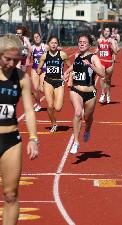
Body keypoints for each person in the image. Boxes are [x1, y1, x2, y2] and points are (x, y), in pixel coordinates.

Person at [0, 34, 39, 225]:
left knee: (10, 195)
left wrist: (33, 138)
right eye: (8, 59)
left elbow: (29, 111)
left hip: (10, 141)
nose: (12, 63)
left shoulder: (22, 78)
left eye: (16, 60)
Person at [64, 34, 104, 154]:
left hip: (90, 92)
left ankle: (87, 130)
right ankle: (76, 141)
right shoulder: (77, 55)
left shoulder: (93, 57)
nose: (81, 44)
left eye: (84, 42)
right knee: (77, 113)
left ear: (89, 45)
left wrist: (90, 65)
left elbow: (102, 73)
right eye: (80, 42)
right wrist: (67, 71)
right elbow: (75, 65)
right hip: (76, 90)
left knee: (88, 118)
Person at [37, 36, 71, 132]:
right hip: (48, 81)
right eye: (52, 43)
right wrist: (39, 71)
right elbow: (38, 68)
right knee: (50, 105)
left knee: (58, 108)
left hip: (59, 82)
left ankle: (54, 121)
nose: (54, 45)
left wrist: (67, 75)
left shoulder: (63, 55)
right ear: (48, 44)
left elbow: (70, 66)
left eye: (55, 43)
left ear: (58, 44)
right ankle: (54, 124)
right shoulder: (44, 55)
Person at [95, 27, 117, 104]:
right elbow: (97, 49)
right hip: (101, 62)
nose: (106, 32)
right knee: (102, 77)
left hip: (109, 62)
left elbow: (116, 52)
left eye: (108, 31)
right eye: (105, 31)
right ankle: (102, 93)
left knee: (108, 80)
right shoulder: (99, 40)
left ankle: (108, 94)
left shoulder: (112, 41)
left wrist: (111, 47)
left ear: (110, 33)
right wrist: (94, 54)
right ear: (103, 32)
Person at [31, 32, 48, 112]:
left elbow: (53, 51)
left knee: (41, 89)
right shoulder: (32, 48)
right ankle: (38, 104)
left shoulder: (45, 47)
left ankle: (51, 99)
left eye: (38, 36)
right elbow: (27, 57)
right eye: (35, 37)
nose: (37, 38)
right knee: (35, 89)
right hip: (34, 69)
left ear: (40, 37)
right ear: (33, 39)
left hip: (43, 69)